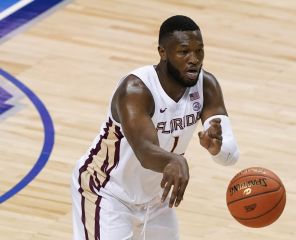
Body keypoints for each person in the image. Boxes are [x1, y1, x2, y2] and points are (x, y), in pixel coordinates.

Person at [71, 15, 240, 240]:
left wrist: (217, 148)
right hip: (107, 192)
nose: (194, 59)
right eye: (184, 52)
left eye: (199, 51)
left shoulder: (206, 85)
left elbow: (230, 156)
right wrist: (175, 160)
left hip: (156, 200)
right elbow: (145, 152)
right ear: (163, 52)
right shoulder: (136, 90)